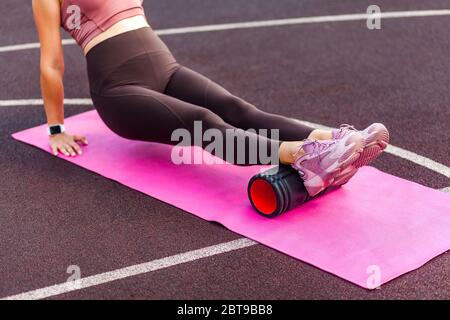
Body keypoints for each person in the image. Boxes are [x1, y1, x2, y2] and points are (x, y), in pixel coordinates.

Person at [32, 0, 389, 197]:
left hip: (165, 68)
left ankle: (332, 139)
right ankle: (303, 158)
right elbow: (52, 62)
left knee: (236, 108)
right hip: (119, 89)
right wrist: (55, 129)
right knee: (201, 124)